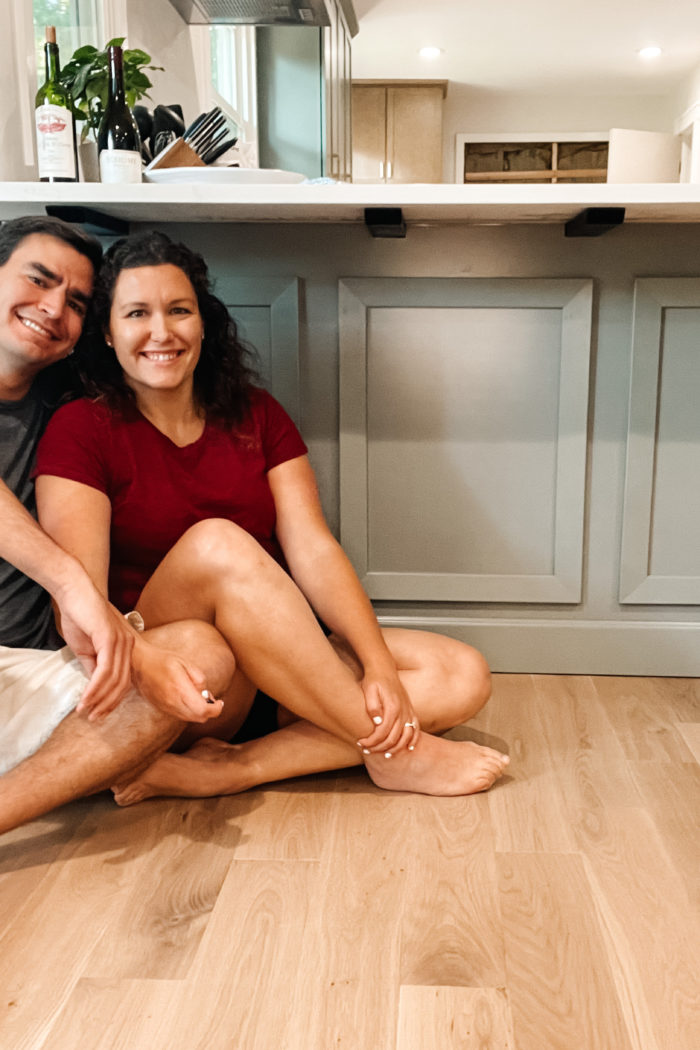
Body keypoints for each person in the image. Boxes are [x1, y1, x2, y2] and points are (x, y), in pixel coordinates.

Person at [35, 230, 509, 804]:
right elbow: (79, 600)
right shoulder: (80, 429)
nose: (162, 332)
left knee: (461, 673)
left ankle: (233, 769)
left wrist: (376, 662)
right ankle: (393, 753)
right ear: (108, 333)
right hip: (179, 675)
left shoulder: (256, 413)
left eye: (179, 310)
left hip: (279, 662)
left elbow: (313, 546)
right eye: (137, 313)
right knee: (218, 543)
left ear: (203, 324)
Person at [0, 216, 238, 835]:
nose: (53, 309)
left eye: (76, 302)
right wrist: (74, 586)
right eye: (38, 279)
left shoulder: (67, 403)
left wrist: (132, 647)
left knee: (199, 654)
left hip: (33, 671)